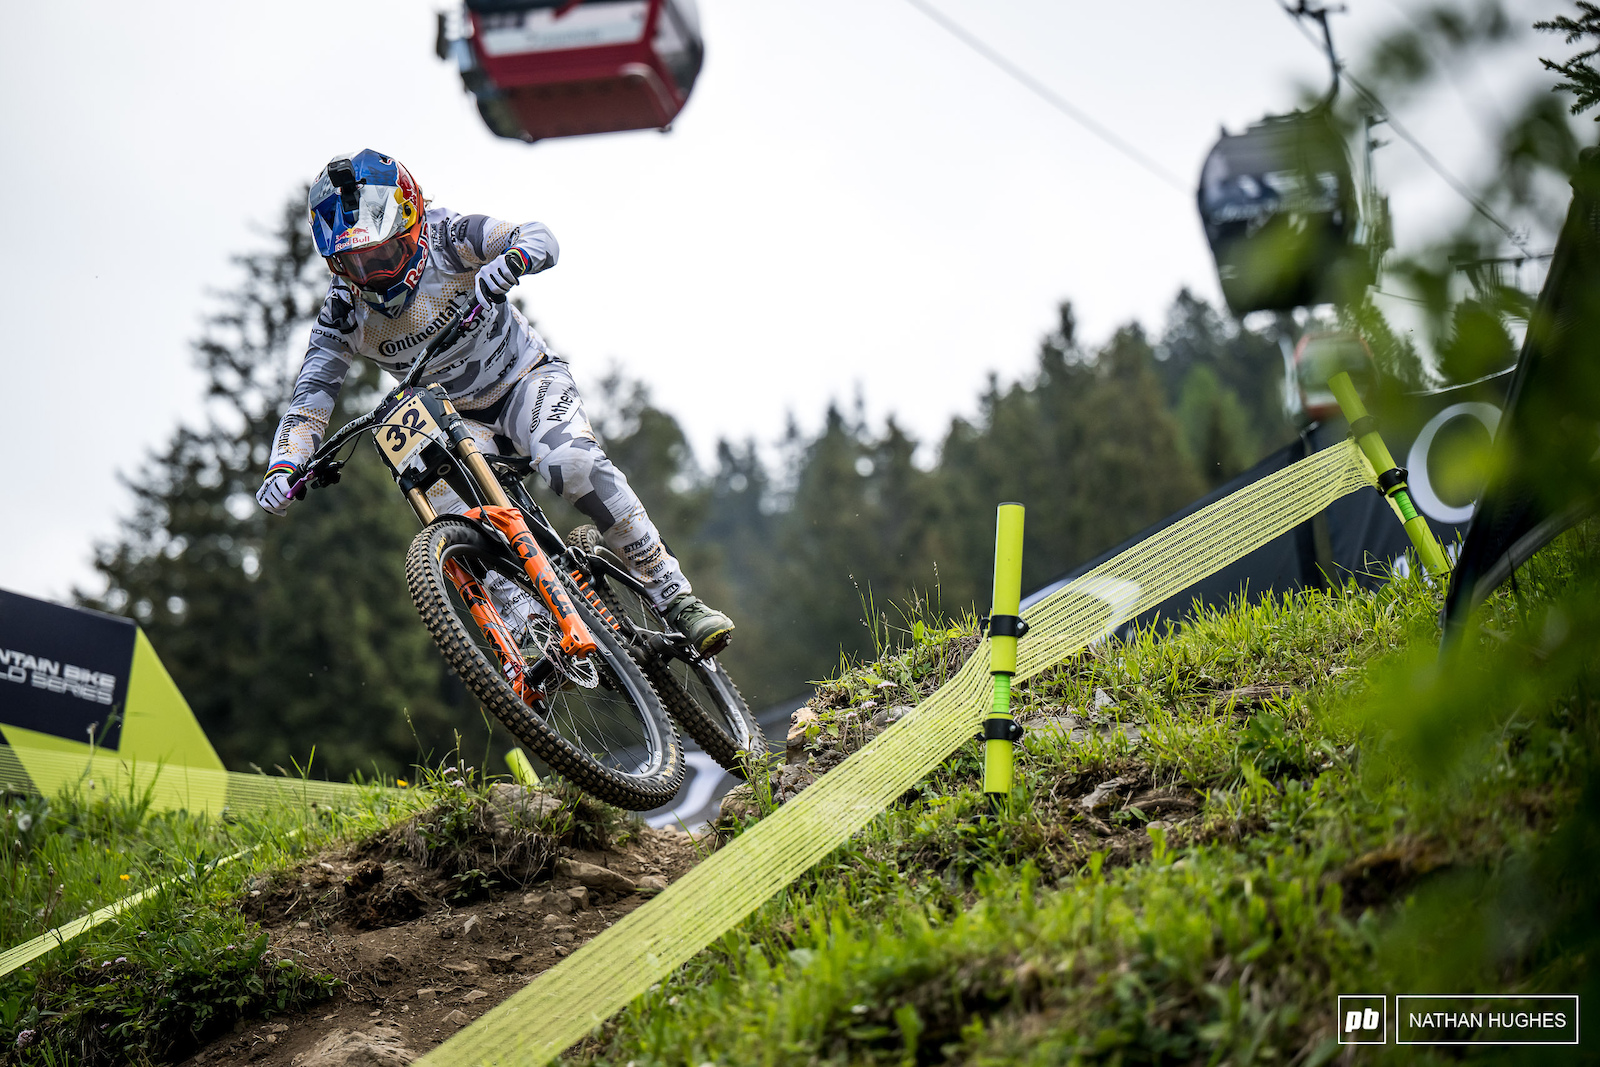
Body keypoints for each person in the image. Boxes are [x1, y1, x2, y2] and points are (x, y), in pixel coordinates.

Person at [256, 149, 734, 655]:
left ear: (413, 221)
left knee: (571, 463)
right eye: (353, 263)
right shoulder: (342, 312)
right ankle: (527, 625)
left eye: (382, 253)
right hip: (451, 417)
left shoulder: (451, 236)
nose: (371, 272)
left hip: (525, 380)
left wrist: (512, 262)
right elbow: (311, 397)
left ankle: (676, 597)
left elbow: (540, 237)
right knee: (437, 488)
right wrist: (284, 464)